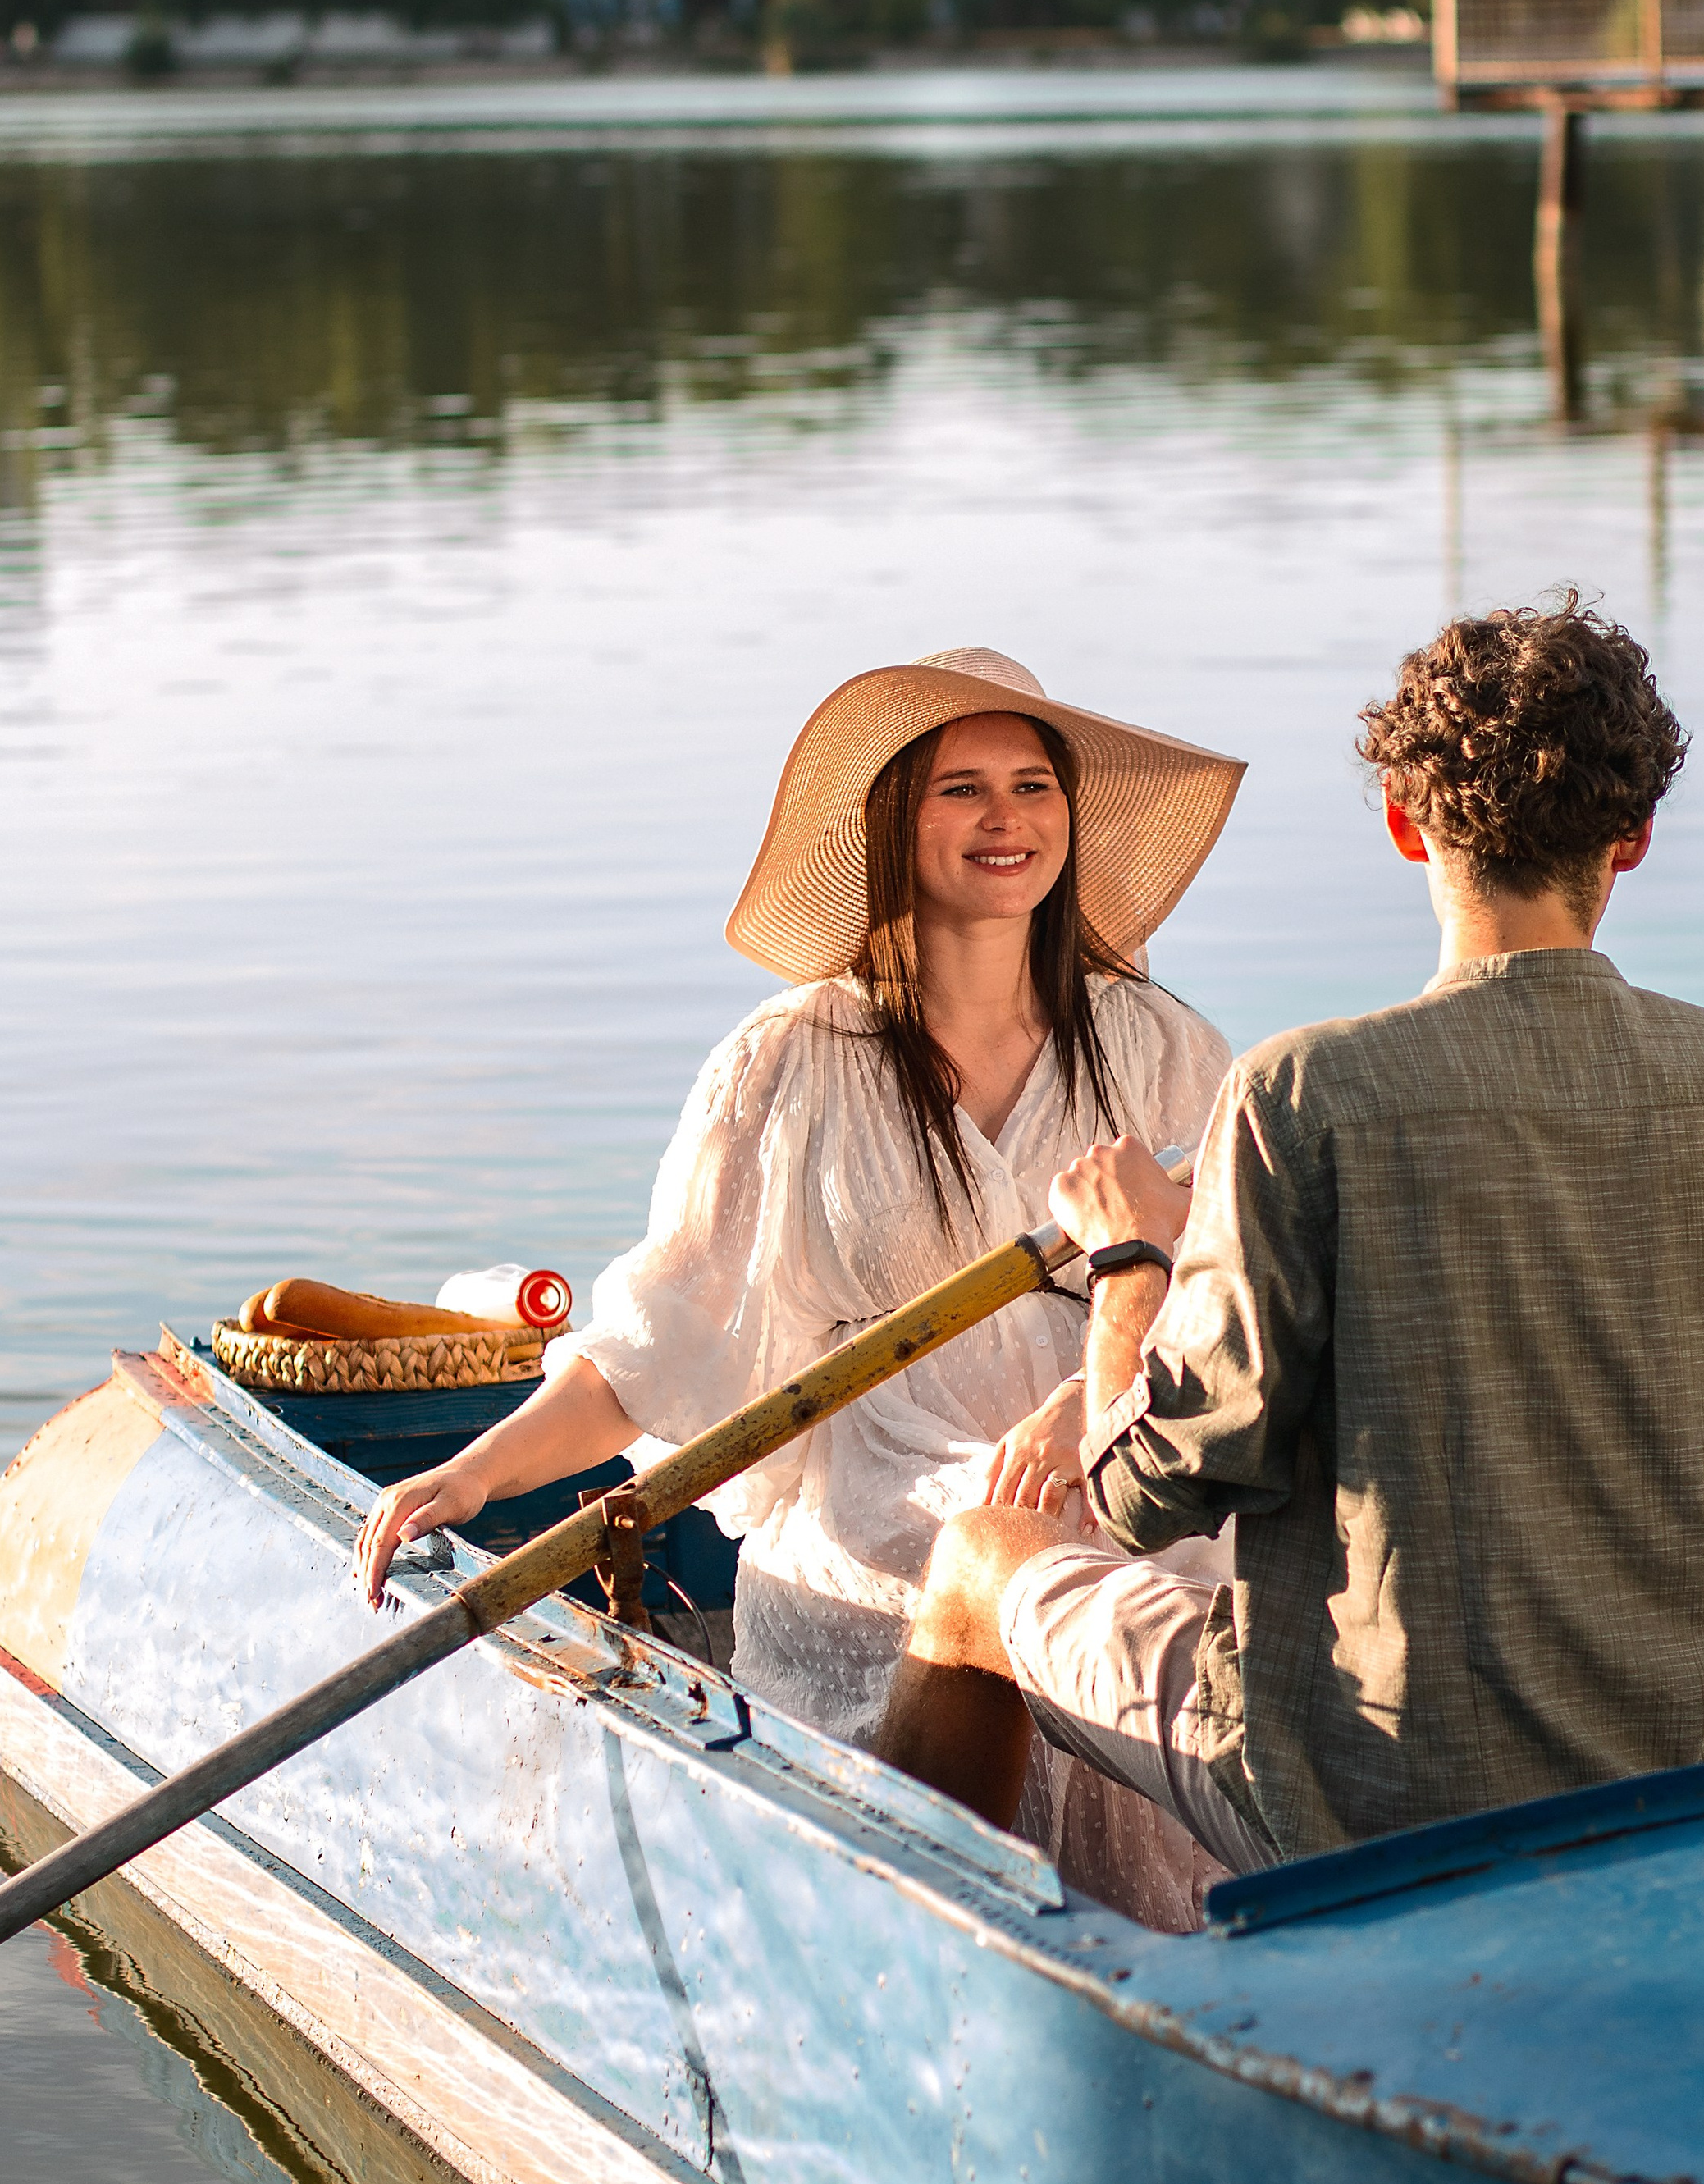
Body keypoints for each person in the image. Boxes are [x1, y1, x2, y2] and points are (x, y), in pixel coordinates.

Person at [879, 598, 1704, 1878]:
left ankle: (909, 1985)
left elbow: (1142, 1497)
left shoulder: (1303, 1096)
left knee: (982, 1559)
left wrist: (1136, 1258)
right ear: (1633, 840)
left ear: (1409, 825)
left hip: (1365, 1801)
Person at [354, 647, 1242, 1924]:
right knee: (984, 1549)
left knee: (1183, 1564)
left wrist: (1079, 1413)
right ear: (895, 827)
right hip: (883, 1494)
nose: (1007, 819)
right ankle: (940, 1919)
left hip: (1118, 1451)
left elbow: (1226, 1314)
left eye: (1034, 786)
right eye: (962, 791)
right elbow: (661, 1340)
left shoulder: (1162, 1044)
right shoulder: (788, 1059)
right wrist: (476, 1475)